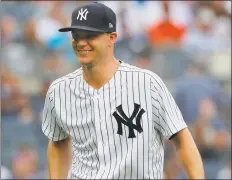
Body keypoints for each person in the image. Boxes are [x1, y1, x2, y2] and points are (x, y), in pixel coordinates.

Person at [41, 2, 204, 179]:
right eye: (77, 35)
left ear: (112, 38)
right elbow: (58, 143)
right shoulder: (59, 91)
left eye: (90, 35)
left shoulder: (146, 83)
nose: (81, 42)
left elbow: (181, 138)